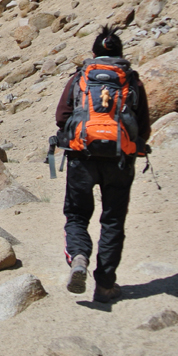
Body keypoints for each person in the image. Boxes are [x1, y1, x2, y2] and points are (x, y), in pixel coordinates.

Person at [55, 25, 151, 303]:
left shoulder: (81, 78)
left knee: (76, 215)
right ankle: (106, 284)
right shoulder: (131, 80)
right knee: (113, 220)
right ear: (120, 54)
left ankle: (79, 257)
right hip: (120, 160)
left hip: (82, 156)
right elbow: (143, 125)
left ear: (94, 53)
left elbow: (62, 117)